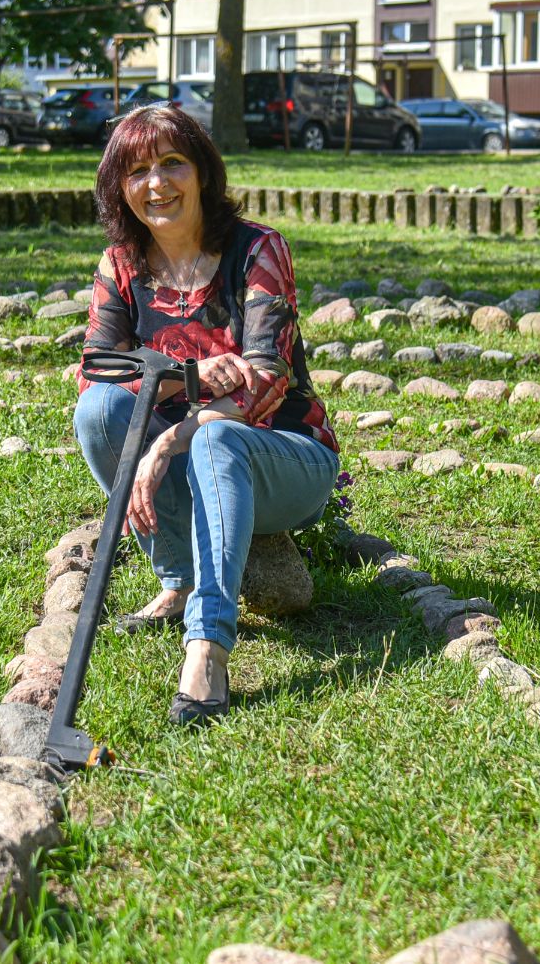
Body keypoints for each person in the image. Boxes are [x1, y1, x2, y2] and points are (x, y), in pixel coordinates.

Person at [73, 104, 340, 726]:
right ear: (118, 187)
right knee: (99, 411)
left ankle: (208, 648)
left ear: (202, 172)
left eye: (172, 163)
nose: (156, 183)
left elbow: (264, 383)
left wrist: (170, 440)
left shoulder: (256, 250)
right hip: (192, 452)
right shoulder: (122, 264)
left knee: (216, 442)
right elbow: (97, 369)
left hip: (285, 457)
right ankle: (180, 578)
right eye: (137, 171)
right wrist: (188, 375)